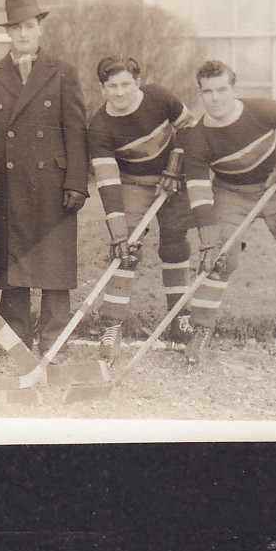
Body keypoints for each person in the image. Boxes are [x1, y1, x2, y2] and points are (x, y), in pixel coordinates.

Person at [181, 59, 276, 369]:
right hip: (232, 193)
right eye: (207, 91)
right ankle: (201, 330)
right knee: (220, 258)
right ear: (200, 93)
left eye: (222, 90)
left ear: (233, 88)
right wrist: (209, 235)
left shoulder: (261, 110)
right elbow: (199, 192)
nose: (215, 98)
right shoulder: (197, 138)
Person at [0, 0, 88, 354]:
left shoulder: (62, 73)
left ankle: (55, 336)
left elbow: (75, 129)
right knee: (13, 259)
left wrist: (75, 181)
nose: (23, 34)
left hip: (52, 184)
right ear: (8, 33)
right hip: (9, 182)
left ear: (40, 29)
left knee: (54, 260)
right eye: (16, 28)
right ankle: (15, 335)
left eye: (29, 26)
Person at [87, 55, 200, 360]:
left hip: (173, 181)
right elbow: (108, 181)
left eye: (126, 84)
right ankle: (112, 324)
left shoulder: (159, 97)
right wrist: (117, 228)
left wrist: (176, 165)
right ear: (103, 89)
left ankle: (180, 319)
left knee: (175, 243)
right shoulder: (99, 127)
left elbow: (189, 127)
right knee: (126, 249)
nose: (120, 92)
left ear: (138, 83)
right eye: (112, 86)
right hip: (134, 184)